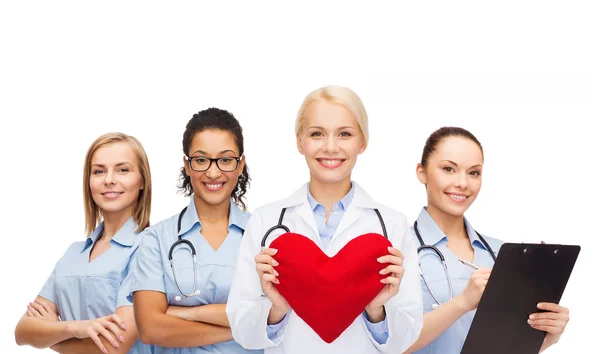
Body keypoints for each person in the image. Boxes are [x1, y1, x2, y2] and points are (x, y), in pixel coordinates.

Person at [226, 85, 423, 354]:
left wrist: (376, 308)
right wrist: (277, 308)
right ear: (300, 142)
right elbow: (243, 331)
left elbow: (406, 338)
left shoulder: (393, 225)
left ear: (362, 142)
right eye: (317, 134)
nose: (330, 147)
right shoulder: (265, 221)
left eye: (344, 134)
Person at [404, 126, 570, 353]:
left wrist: (547, 335)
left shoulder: (502, 253)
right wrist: (463, 302)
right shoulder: (398, 248)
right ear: (421, 172)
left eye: (473, 172)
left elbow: (507, 344)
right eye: (448, 169)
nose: (463, 183)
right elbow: (390, 346)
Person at [129, 108, 261, 353]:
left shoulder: (263, 235)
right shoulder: (156, 240)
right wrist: (242, 328)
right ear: (187, 166)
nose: (213, 172)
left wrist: (190, 314)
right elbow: (151, 329)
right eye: (201, 160)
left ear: (240, 164)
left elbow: (273, 314)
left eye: (225, 159)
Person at [14, 132, 153, 354]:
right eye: (99, 171)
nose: (109, 179)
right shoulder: (73, 254)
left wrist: (51, 337)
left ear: (142, 181)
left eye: (123, 169)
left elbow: (115, 344)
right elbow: (22, 332)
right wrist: (76, 327)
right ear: (89, 182)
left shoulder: (149, 249)